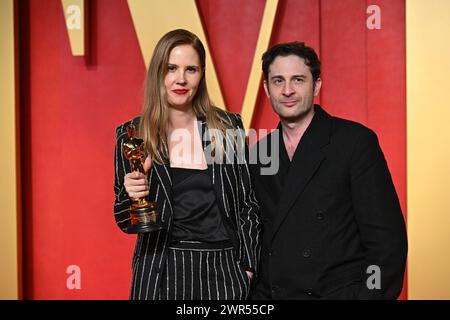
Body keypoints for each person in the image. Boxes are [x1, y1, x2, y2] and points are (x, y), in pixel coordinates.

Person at [249, 42, 407, 299]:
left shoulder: (354, 142)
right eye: (278, 81)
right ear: (267, 89)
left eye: (298, 79)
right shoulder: (257, 154)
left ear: (317, 85)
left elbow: (386, 243)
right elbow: (257, 240)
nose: (287, 90)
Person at [113, 29, 260, 300]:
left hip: (223, 270)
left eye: (190, 69)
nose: (181, 79)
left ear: (202, 74)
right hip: (162, 269)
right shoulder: (133, 134)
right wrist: (133, 197)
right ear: (159, 72)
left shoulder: (227, 128)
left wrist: (247, 268)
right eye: (171, 68)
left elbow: (247, 205)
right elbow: (124, 221)